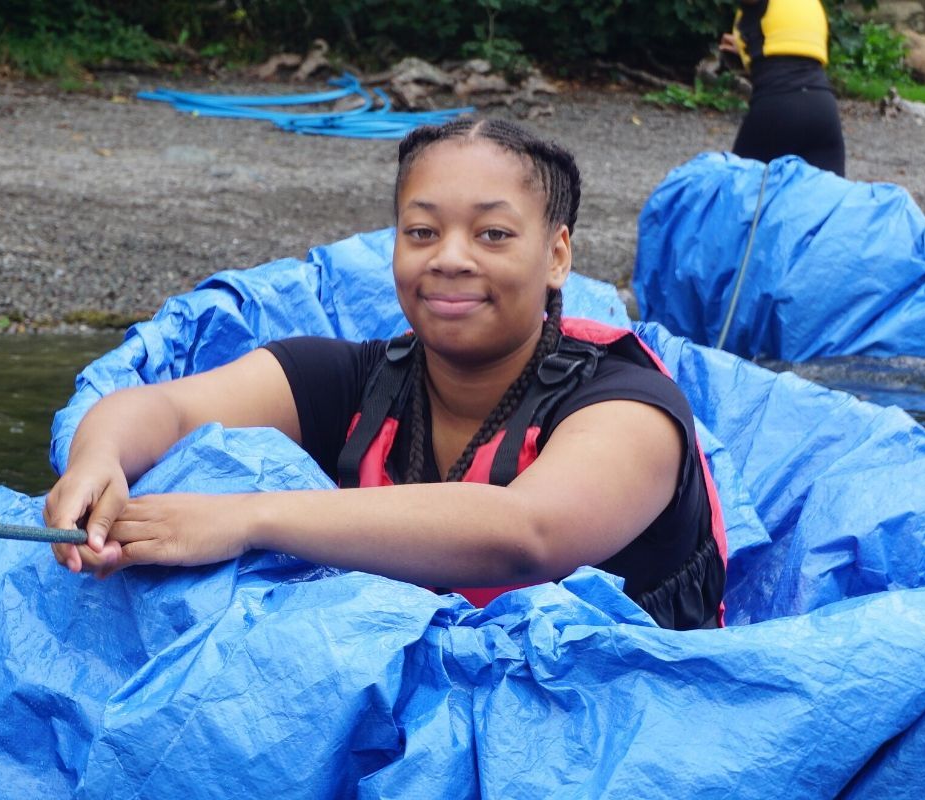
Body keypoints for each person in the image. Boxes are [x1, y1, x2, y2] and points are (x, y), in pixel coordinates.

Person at [44, 119, 726, 630]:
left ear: (556, 255)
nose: (450, 259)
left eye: (493, 235)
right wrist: (97, 459)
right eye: (422, 232)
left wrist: (247, 517)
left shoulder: (630, 408)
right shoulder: (356, 379)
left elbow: (526, 534)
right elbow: (162, 411)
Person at [720, 0, 846, 177]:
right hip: (823, 109)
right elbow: (784, 37)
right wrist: (744, 46)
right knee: (828, 200)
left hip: (778, 107)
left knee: (740, 194)